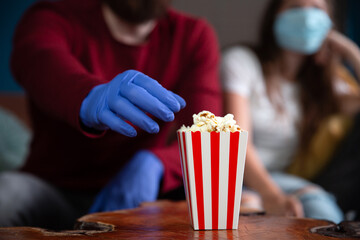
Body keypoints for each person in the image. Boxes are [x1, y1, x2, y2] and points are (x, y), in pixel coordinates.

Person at [0, 0, 222, 229]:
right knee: (6, 195)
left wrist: (156, 163)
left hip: (141, 199)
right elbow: (39, 61)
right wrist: (87, 98)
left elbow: (206, 136)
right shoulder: (53, 16)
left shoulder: (193, 36)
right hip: (54, 190)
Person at [221, 0, 360, 223]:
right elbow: (237, 141)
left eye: (316, 9)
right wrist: (271, 195)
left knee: (324, 214)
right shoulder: (241, 61)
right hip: (234, 176)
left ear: (328, 24)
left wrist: (350, 51)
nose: (306, 16)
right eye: (295, 7)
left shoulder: (324, 83)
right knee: (249, 216)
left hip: (286, 179)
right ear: (274, 16)